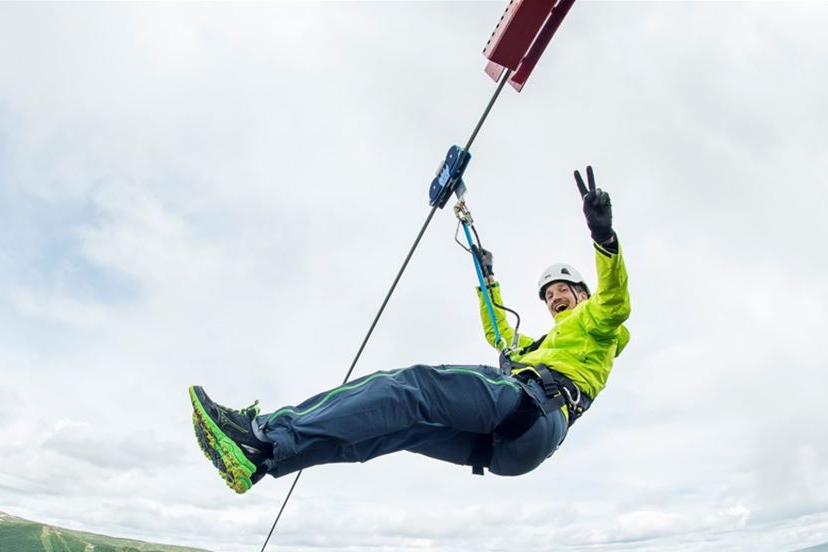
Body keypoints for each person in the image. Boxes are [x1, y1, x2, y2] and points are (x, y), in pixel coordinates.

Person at [189, 166, 630, 494]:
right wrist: (487, 277)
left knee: (411, 386)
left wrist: (603, 236)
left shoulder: (598, 321)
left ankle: (264, 433)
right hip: (516, 446)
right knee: (394, 430)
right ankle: (265, 460)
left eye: (562, 290)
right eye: (549, 293)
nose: (554, 297)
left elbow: (615, 299)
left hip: (535, 410)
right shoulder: (542, 345)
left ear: (582, 292)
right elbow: (500, 334)